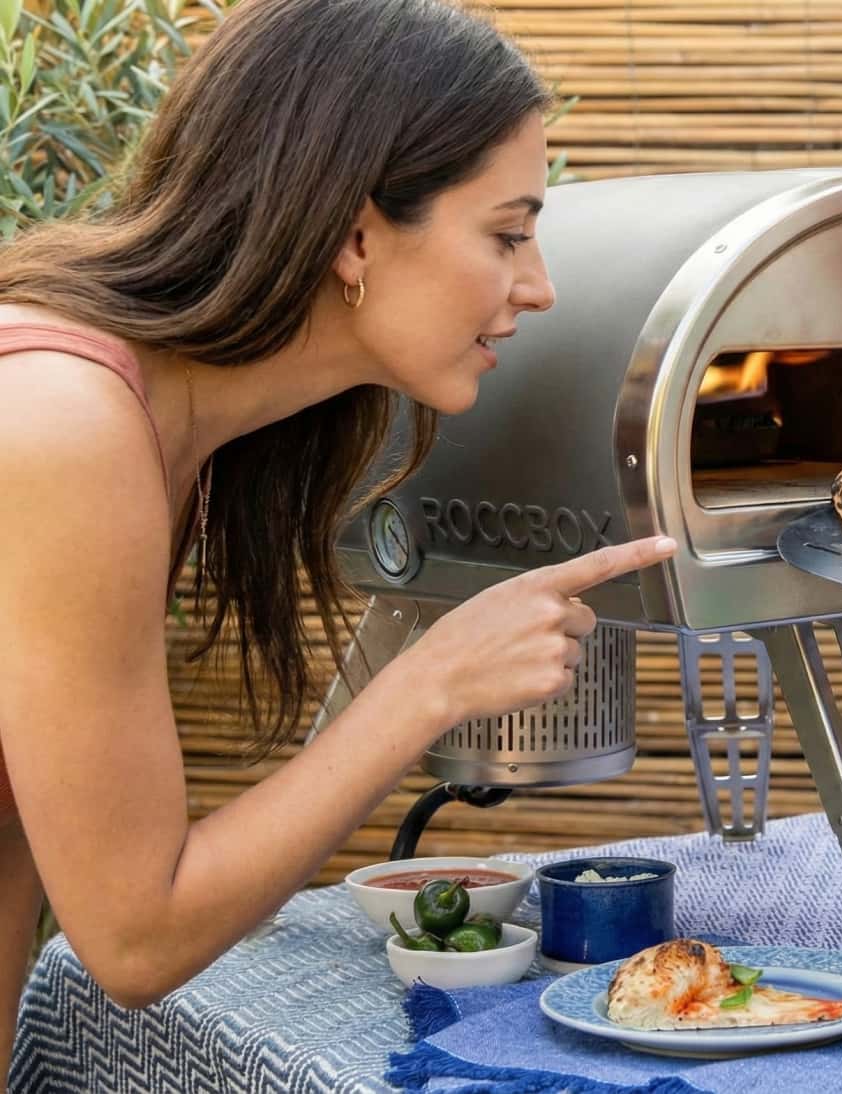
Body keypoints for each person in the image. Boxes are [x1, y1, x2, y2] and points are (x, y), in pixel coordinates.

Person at [0, 0, 676, 1064]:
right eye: (506, 233)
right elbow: (134, 936)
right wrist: (427, 682)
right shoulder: (63, 425)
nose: (539, 287)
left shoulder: (153, 431)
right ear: (357, 233)